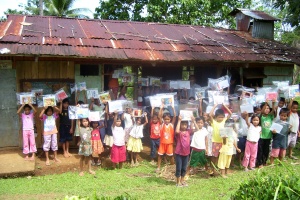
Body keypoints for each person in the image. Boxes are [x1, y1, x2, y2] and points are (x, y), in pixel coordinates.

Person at [209, 103, 232, 175]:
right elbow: (210, 115)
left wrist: (224, 106)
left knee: (221, 156)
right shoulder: (214, 122)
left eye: (222, 117)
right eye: (219, 117)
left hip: (223, 142)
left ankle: (219, 168)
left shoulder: (224, 121)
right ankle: (213, 169)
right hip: (215, 142)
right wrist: (215, 105)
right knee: (214, 156)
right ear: (216, 117)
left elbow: (230, 113)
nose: (221, 118)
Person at [174, 115, 194, 187]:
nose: (184, 126)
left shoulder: (188, 132)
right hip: (179, 153)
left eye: (185, 124)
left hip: (186, 153)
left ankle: (182, 180)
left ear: (187, 126)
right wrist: (179, 120)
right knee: (178, 168)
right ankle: (177, 182)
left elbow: (193, 129)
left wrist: (192, 121)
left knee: (184, 168)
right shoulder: (179, 133)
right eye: (182, 124)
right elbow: (176, 131)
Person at [156, 105, 176, 172]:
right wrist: (161, 108)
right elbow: (159, 117)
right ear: (163, 120)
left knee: (171, 155)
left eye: (168, 119)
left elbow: (175, 117)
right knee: (160, 155)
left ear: (170, 119)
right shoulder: (162, 125)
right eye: (165, 119)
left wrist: (173, 108)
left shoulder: (171, 125)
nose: (167, 120)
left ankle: (172, 166)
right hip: (162, 143)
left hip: (169, 143)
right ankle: (158, 167)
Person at [257, 100, 275, 168]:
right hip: (261, 137)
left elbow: (273, 111)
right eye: (265, 108)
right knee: (260, 150)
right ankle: (260, 163)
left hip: (268, 136)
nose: (267, 110)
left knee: (266, 150)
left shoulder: (270, 116)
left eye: (268, 108)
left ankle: (264, 162)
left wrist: (273, 103)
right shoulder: (261, 117)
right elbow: (261, 112)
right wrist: (266, 102)